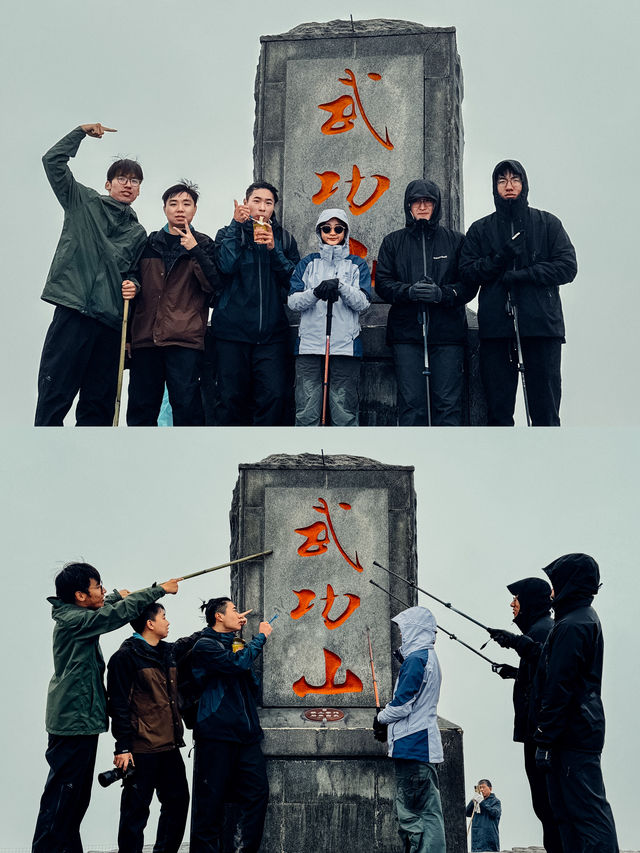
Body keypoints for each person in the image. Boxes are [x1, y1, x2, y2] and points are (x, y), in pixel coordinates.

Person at [32, 562, 180, 853]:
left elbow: (107, 608)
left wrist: (112, 595)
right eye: (96, 586)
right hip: (71, 722)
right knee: (62, 798)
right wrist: (157, 591)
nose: (101, 589)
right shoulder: (73, 622)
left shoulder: (78, 614)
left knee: (74, 801)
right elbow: (112, 617)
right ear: (80, 596)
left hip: (81, 721)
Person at [35, 123, 147, 426]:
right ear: (108, 183)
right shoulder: (81, 201)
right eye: (122, 178)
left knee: (98, 407)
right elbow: (52, 161)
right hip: (73, 312)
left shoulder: (139, 233)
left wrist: (134, 285)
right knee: (54, 394)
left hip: (111, 324)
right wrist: (80, 133)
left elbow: (136, 272)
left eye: (135, 181)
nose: (128, 184)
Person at [459, 159, 577, 426]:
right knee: (498, 414)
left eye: (514, 180)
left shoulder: (547, 223)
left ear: (524, 184)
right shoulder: (481, 229)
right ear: (494, 187)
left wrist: (526, 274)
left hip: (541, 327)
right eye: (502, 181)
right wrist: (500, 258)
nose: (509, 186)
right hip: (497, 329)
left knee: (545, 413)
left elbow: (568, 267)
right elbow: (467, 272)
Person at [533, 554, 619, 852]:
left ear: (568, 584)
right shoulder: (581, 618)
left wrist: (545, 737)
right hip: (578, 730)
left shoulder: (572, 625)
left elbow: (560, 687)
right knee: (568, 814)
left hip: (572, 735)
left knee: (586, 815)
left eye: (555, 584)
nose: (551, 592)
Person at [375, 179, 474, 426]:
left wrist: (442, 294)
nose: (422, 206)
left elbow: (469, 284)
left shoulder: (456, 241)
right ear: (408, 206)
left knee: (448, 407)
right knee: (411, 406)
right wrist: (409, 292)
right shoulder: (392, 242)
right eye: (416, 201)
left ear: (436, 205)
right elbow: (383, 283)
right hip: (406, 334)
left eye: (427, 201)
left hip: (447, 334)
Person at [123, 182, 221, 426]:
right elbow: (132, 286)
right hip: (146, 339)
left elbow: (215, 286)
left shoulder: (205, 244)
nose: (180, 209)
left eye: (186, 204)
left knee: (187, 408)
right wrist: (127, 338)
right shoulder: (148, 243)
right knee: (141, 409)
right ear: (164, 208)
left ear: (195, 210)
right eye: (173, 204)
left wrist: (195, 250)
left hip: (185, 339)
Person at [212, 181, 300, 425]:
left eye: (268, 203)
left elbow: (295, 281)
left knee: (273, 397)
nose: (262, 207)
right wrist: (235, 226)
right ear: (246, 203)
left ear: (274, 208)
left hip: (271, 335)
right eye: (256, 201)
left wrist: (274, 250)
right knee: (230, 399)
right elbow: (225, 266)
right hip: (232, 333)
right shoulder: (228, 232)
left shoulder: (284, 238)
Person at [189, 598, 273, 853]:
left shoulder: (235, 644)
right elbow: (235, 664)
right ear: (218, 616)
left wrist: (241, 640)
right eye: (234, 610)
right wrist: (260, 638)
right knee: (210, 805)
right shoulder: (205, 645)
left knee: (257, 794)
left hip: (246, 736)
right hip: (216, 735)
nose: (239, 614)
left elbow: (248, 679)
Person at [107, 602, 189, 853]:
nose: (168, 621)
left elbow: (191, 642)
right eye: (164, 617)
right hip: (141, 748)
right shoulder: (125, 657)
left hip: (169, 745)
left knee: (178, 802)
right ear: (149, 624)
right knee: (135, 812)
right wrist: (122, 746)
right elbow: (118, 705)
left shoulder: (167, 651)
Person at [491, 578, 562, 853]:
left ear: (529, 602)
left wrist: (517, 644)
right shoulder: (540, 628)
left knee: (548, 807)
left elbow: (552, 672)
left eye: (517, 598)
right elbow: (541, 677)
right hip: (537, 733)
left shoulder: (543, 630)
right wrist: (516, 673)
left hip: (541, 735)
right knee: (545, 808)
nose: (512, 604)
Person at [288, 208, 371, 425]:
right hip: (310, 346)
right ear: (319, 231)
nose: (332, 233)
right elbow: (293, 301)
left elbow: (363, 302)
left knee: (345, 412)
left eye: (338, 228)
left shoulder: (357, 264)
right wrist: (316, 292)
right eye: (326, 228)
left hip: (345, 346)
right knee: (306, 412)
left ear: (345, 232)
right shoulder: (307, 263)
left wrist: (341, 287)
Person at [375, 606, 446, 853]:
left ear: (415, 630)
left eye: (405, 630)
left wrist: (380, 718)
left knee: (412, 816)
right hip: (423, 746)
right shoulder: (426, 657)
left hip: (412, 746)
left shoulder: (416, 661)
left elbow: (403, 705)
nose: (402, 635)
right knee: (429, 812)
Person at [465, 779, 501, 851]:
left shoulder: (495, 801)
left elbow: (495, 813)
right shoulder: (476, 802)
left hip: (489, 841)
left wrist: (482, 802)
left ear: (490, 788)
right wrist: (473, 800)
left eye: (483, 787)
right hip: (476, 841)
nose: (481, 790)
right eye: (480, 788)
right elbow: (466, 813)